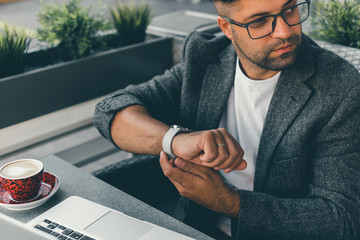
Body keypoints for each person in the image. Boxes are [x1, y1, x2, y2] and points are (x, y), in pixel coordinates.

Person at [93, 0, 360, 239]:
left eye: (290, 9)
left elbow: (343, 219)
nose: (285, 31)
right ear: (227, 28)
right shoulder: (205, 59)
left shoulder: (341, 89)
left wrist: (228, 202)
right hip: (189, 225)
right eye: (259, 21)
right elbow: (110, 111)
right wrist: (176, 140)